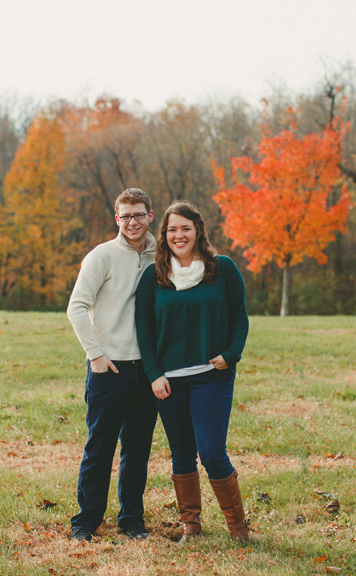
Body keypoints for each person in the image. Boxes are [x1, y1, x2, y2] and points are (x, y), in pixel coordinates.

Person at [135, 201, 250, 543]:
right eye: (172, 229)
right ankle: (191, 527)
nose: (178, 235)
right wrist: (154, 373)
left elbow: (239, 317)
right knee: (182, 453)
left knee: (212, 452)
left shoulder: (222, 269)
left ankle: (238, 527)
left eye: (185, 228)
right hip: (169, 381)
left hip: (212, 376)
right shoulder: (154, 276)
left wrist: (231, 354)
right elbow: (143, 328)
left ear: (198, 230)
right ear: (164, 235)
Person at [66, 188, 159, 542]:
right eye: (125, 216)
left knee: (137, 450)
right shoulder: (100, 256)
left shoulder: (160, 256)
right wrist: (96, 355)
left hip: (146, 370)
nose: (132, 222)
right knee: (99, 448)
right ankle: (85, 523)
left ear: (151, 215)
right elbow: (77, 306)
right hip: (109, 370)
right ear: (116, 219)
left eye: (139, 214)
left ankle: (132, 520)